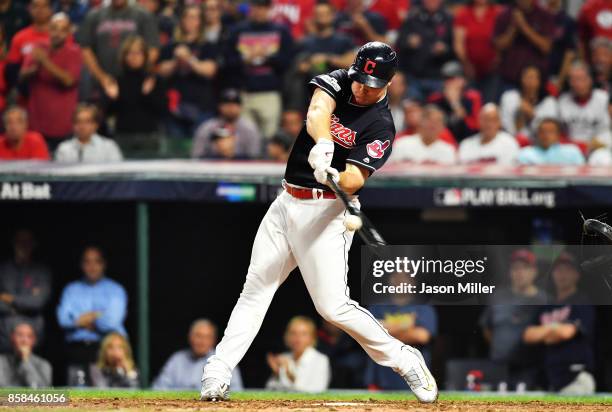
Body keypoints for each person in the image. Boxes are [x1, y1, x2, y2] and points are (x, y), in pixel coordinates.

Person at [200, 42, 438, 403]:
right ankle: (217, 372)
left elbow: (356, 179)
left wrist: (335, 177)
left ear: (389, 83)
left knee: (332, 307)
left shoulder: (381, 126)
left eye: (371, 84)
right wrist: (324, 143)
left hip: (327, 212)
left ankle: (404, 358)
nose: (361, 88)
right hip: (286, 202)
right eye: (360, 79)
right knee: (256, 289)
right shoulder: (340, 81)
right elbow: (317, 110)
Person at [523, 252, 596, 394]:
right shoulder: (547, 305)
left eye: (568, 270)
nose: (562, 274)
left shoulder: (581, 302)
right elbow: (528, 335)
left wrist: (545, 332)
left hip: (576, 379)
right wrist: (554, 329)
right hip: (551, 379)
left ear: (577, 275)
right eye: (559, 269)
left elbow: (566, 332)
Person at [56, 246, 128, 385]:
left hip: (106, 351)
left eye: (97, 261)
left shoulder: (116, 290)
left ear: (104, 264)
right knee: (76, 402)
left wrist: (81, 320)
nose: (92, 266)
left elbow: (112, 322)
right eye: (87, 262)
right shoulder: (71, 289)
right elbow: (63, 320)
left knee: (104, 401)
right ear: (81, 265)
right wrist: (98, 316)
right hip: (77, 351)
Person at [222, 0, 293, 139]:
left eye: (263, 7)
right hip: (244, 93)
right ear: (250, 8)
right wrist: (245, 59)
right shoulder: (238, 30)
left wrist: (266, 56)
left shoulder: (280, 31)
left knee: (270, 138)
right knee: (245, 139)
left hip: (270, 93)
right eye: (257, 7)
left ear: (269, 9)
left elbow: (287, 62)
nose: (259, 11)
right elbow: (228, 62)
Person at [480, 249, 548, 389]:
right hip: (498, 366)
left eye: (525, 268)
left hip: (531, 368)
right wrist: (501, 345)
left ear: (534, 271)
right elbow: (486, 328)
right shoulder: (498, 297)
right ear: (510, 272)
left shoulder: (544, 300)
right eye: (515, 268)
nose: (520, 272)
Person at [364, 272, 437, 390]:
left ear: (414, 281)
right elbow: (368, 333)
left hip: (415, 379)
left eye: (406, 276)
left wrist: (384, 328)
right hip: (380, 377)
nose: (400, 279)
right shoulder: (377, 306)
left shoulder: (423, 307)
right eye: (396, 275)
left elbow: (421, 336)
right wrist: (406, 324)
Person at [19, 13, 81, 149]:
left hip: (64, 126)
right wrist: (33, 70)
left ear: (68, 32)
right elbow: (22, 76)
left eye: (62, 29)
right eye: (54, 28)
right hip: (37, 124)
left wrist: (45, 62)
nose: (57, 33)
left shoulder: (74, 52)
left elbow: (69, 81)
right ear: (49, 29)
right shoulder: (38, 47)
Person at [158, 5, 219, 138]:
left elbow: (210, 70)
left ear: (200, 22)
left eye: (195, 17)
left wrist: (189, 59)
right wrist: (176, 61)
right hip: (175, 108)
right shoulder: (170, 46)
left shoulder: (208, 45)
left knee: (200, 149)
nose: (191, 21)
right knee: (176, 151)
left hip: (201, 106)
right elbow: (161, 71)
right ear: (182, 20)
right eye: (188, 17)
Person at [78, 0, 160, 96]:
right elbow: (85, 49)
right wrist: (102, 77)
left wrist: (139, 74)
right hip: (102, 83)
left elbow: (153, 49)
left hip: (135, 84)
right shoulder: (94, 15)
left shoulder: (143, 15)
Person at [104, 35, 167, 158]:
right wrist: (113, 98)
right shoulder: (117, 79)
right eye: (130, 53)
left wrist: (148, 94)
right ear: (124, 56)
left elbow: (162, 110)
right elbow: (108, 113)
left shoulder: (153, 79)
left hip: (149, 136)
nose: (134, 57)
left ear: (144, 56)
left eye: (138, 53)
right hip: (123, 135)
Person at [291, 0, 354, 110]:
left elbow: (351, 63)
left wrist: (327, 58)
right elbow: (297, 67)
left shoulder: (344, 40)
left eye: (325, 14)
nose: (322, 17)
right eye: (318, 14)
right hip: (310, 100)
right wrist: (304, 66)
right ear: (313, 17)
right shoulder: (304, 43)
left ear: (333, 16)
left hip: (339, 98)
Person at [153, 319, 243, 390]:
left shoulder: (224, 360)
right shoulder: (176, 359)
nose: (202, 342)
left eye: (207, 337)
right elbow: (158, 389)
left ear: (213, 340)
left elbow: (236, 392)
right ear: (190, 337)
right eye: (198, 336)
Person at [0, 230, 51, 353]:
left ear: (33, 244)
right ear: (14, 243)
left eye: (27, 242)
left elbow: (38, 302)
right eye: (20, 242)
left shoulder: (42, 272)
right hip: (5, 338)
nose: (23, 245)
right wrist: (26, 304)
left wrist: (11, 299)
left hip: (33, 339)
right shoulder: (2, 270)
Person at [395, 0, 453, 100]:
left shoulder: (448, 19)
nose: (432, 2)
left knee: (435, 110)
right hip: (413, 77)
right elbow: (399, 44)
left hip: (437, 77)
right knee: (413, 107)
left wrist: (444, 50)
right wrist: (408, 42)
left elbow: (455, 49)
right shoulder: (412, 17)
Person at [493, 0, 555, 90]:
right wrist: (513, 27)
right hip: (509, 79)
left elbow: (546, 47)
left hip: (536, 82)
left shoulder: (544, 15)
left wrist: (523, 26)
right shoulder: (504, 15)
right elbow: (498, 46)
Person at [453, 0, 502, 104]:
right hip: (469, 70)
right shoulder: (464, 13)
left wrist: (497, 60)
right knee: (470, 103)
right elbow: (458, 44)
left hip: (492, 69)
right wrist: (466, 64)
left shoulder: (497, 12)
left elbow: (502, 40)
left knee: (489, 104)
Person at [266, 316, 331, 392]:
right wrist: (277, 373)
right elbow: (270, 389)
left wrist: (288, 374)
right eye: (293, 333)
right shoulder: (283, 357)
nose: (298, 338)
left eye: (303, 334)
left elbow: (316, 390)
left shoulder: (321, 360)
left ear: (312, 338)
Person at [192, 89, 261, 159]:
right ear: (219, 106)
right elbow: (197, 156)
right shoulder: (207, 127)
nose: (230, 107)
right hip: (211, 166)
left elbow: (254, 157)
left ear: (241, 107)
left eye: (234, 104)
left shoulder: (249, 128)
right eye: (227, 104)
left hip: (242, 167)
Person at [558, 61, 611, 151]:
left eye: (582, 79)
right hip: (572, 148)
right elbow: (558, 133)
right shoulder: (562, 101)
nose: (578, 84)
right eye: (574, 80)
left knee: (602, 158)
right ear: (569, 83)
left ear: (590, 80)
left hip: (600, 146)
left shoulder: (604, 99)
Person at [427, 61, 482, 141]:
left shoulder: (472, 97)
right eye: (446, 79)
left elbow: (475, 127)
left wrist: (455, 103)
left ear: (463, 81)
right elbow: (431, 127)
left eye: (453, 79)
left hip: (468, 141)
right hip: (442, 142)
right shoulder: (435, 99)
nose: (449, 83)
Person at [499, 65, 557, 139]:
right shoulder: (509, 97)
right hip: (511, 141)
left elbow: (550, 130)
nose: (530, 81)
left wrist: (533, 115)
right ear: (521, 79)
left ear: (540, 81)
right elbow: (504, 124)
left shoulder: (549, 102)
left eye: (533, 77)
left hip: (538, 145)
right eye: (527, 77)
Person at [388, 105, 456, 165]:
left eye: (437, 122)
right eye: (429, 121)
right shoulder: (402, 143)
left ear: (443, 127)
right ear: (421, 122)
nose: (433, 125)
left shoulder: (448, 150)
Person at [55, 104, 123, 163]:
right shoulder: (64, 148)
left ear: (96, 125)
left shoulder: (109, 147)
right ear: (73, 125)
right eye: (78, 121)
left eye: (87, 122)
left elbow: (117, 173)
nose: (82, 126)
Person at [0, 322, 51, 387]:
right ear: (12, 337)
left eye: (29, 336)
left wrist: (25, 361)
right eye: (20, 335)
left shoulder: (43, 364)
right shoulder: (1, 361)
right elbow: (2, 389)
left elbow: (40, 391)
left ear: (34, 340)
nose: (24, 340)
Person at [517, 118, 585, 165]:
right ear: (537, 134)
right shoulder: (525, 154)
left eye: (550, 131)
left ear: (558, 135)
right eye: (542, 131)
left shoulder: (572, 152)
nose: (546, 135)